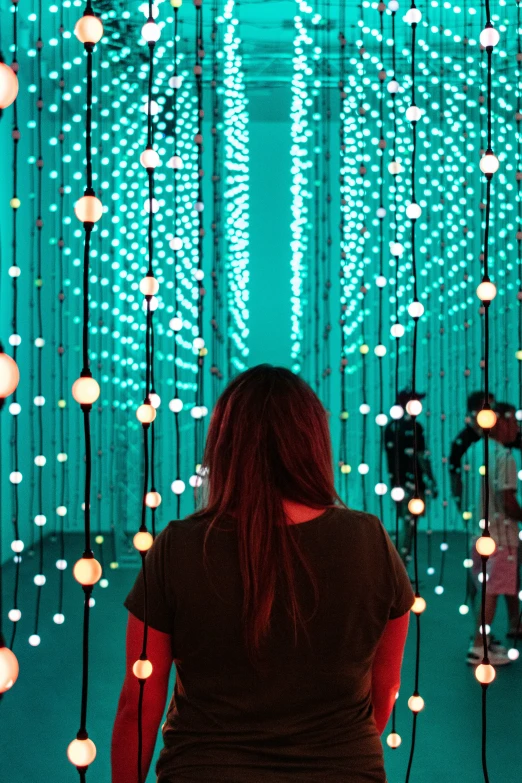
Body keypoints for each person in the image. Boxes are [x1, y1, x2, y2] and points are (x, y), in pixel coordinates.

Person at [112, 365, 414, 783]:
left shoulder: (178, 547)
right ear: (312, 442)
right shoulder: (369, 540)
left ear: (223, 445)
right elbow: (385, 689)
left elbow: (138, 706)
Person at [467, 402, 522, 667]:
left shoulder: (474, 451)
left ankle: (483, 640)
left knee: (484, 588)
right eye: (513, 421)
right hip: (499, 538)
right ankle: (479, 647)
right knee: (491, 591)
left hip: (476, 534)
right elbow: (508, 501)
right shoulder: (504, 457)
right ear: (498, 422)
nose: (517, 428)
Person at [384, 389, 438, 562]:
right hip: (414, 485)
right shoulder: (414, 427)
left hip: (397, 484)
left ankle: (400, 568)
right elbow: (421, 457)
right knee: (409, 527)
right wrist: (431, 481)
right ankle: (400, 569)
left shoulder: (391, 428)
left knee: (407, 525)